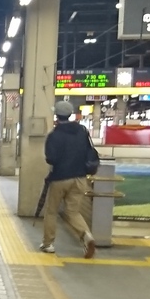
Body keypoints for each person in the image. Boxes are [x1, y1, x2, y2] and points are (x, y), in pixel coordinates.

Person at [40, 101, 97, 259]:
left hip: (60, 178)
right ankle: (87, 236)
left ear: (56, 116)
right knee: (72, 211)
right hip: (80, 178)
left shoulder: (54, 135)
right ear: (70, 114)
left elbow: (51, 159)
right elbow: (89, 152)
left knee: (51, 211)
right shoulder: (82, 131)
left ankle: (48, 244)